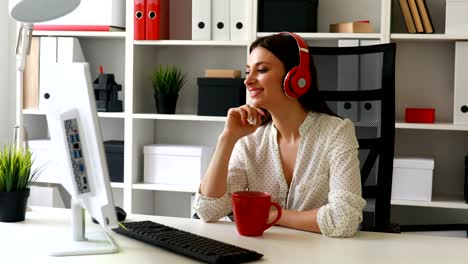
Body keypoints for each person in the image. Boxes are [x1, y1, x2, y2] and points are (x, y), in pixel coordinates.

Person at [193, 32, 366, 237]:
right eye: (248, 72)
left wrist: (273, 214)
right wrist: (227, 139)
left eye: (262, 70)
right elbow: (208, 211)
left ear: (296, 78)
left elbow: (344, 219)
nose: (248, 81)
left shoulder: (336, 132)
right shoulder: (249, 139)